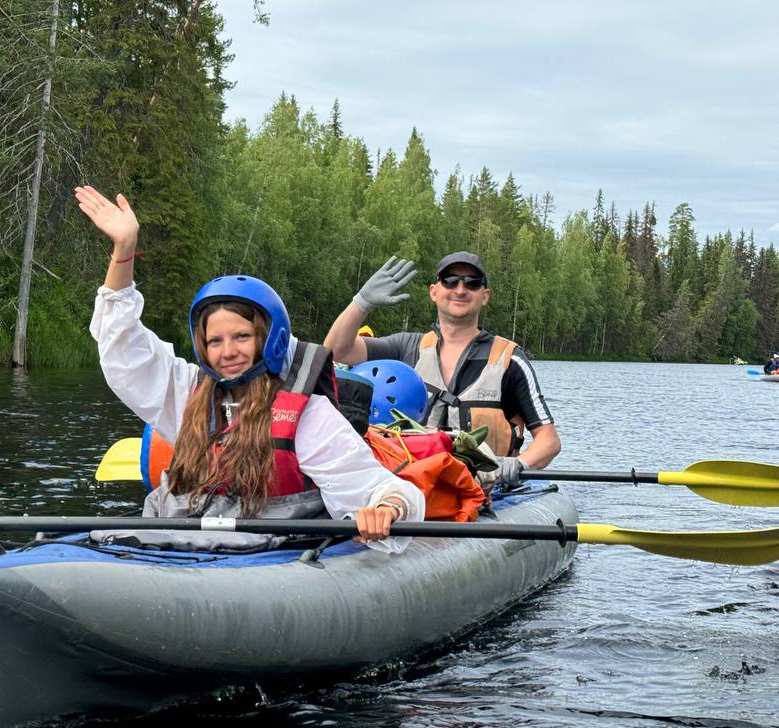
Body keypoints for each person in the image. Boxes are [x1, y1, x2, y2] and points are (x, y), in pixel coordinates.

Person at [75, 185, 424, 552]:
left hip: (268, 555)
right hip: (181, 544)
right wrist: (124, 251)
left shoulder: (307, 414)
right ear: (202, 345)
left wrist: (388, 507)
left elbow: (378, 487)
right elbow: (122, 347)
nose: (227, 352)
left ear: (268, 339)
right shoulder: (187, 392)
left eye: (241, 337)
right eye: (215, 341)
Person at [324, 252, 561, 487]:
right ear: (433, 292)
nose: (460, 289)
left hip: (486, 493)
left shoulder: (511, 360)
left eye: (472, 283)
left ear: (485, 296)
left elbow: (548, 440)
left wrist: (520, 464)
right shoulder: (406, 348)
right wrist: (361, 303)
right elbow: (335, 351)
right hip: (413, 487)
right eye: (450, 280)